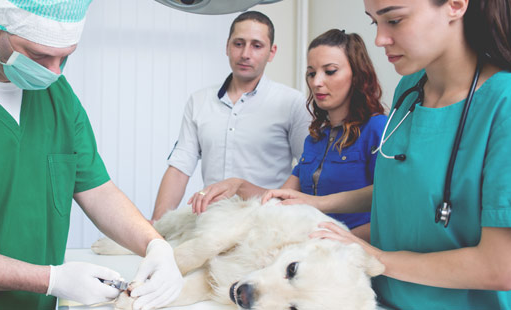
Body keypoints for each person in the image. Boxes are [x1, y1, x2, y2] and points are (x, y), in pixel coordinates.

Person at [0, 1, 182, 309]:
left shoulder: (58, 95)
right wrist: (50, 280)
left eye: (65, 57)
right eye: (38, 55)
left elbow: (98, 191)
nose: (54, 72)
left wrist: (156, 246)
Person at [268, 0, 511, 309]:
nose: (380, 39)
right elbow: (396, 189)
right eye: (374, 23)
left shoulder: (502, 104)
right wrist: (316, 204)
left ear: (455, 4)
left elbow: (498, 268)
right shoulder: (409, 90)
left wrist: (375, 256)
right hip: (380, 298)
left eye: (394, 20)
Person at [188, 29, 387, 242]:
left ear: (357, 75)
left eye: (329, 71)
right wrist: (237, 185)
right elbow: (280, 200)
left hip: (349, 257)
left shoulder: (378, 128)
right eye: (311, 73)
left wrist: (335, 241)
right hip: (309, 253)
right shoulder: (316, 138)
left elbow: (389, 208)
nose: (317, 82)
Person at [150, 11, 311, 222]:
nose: (245, 53)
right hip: (211, 224)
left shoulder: (292, 102)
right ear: (227, 46)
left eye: (256, 45)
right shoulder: (199, 101)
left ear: (272, 52)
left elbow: (307, 170)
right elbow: (180, 168)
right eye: (238, 43)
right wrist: (157, 226)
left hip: (267, 224)